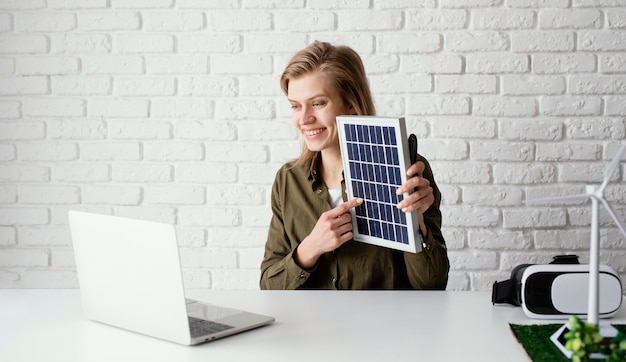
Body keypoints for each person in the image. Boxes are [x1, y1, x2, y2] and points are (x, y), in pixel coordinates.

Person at [259, 41, 449, 290]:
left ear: (351, 103)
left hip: (387, 327)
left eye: (318, 103)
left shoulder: (406, 170)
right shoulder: (288, 180)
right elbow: (269, 285)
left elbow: (432, 286)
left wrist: (417, 223)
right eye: (295, 106)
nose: (304, 119)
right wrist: (310, 248)